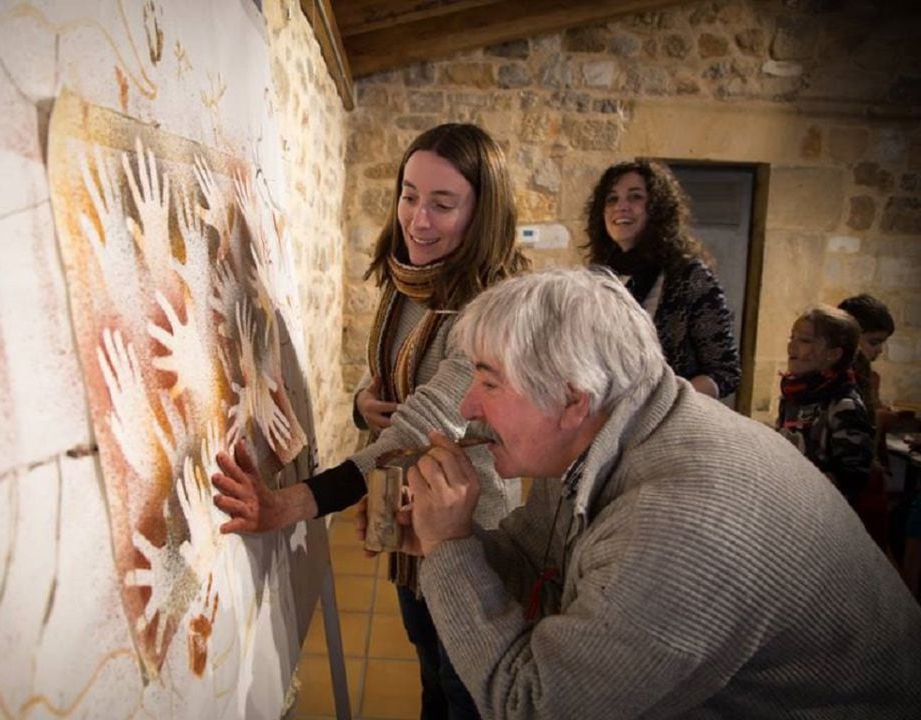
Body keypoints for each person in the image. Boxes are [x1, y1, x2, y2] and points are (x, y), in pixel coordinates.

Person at [373, 267, 920, 718]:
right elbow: (529, 556)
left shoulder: (679, 523)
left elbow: (532, 706)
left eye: (490, 382)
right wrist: (449, 534)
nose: (468, 407)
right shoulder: (611, 431)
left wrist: (449, 549)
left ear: (572, 399)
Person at [212, 123, 529, 719]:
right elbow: (395, 388)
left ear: (481, 214)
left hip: (470, 526)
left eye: (443, 203)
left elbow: (425, 422)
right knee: (430, 671)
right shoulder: (406, 280)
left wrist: (294, 503)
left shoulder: (494, 309)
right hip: (405, 518)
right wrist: (362, 403)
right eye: (410, 194)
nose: (418, 220)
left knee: (468, 692)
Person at [582, 160, 740, 399]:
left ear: (658, 208)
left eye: (635, 197)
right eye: (611, 199)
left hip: (668, 425)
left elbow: (725, 372)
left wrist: (666, 402)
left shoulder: (689, 277)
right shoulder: (597, 278)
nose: (621, 206)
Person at [776, 305, 874, 504]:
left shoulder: (844, 406)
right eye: (791, 338)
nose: (791, 347)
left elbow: (852, 478)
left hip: (821, 510)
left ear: (833, 354)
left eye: (804, 340)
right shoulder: (793, 395)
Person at [838, 293, 896, 549]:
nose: (879, 350)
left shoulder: (866, 376)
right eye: (874, 342)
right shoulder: (844, 375)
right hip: (852, 478)